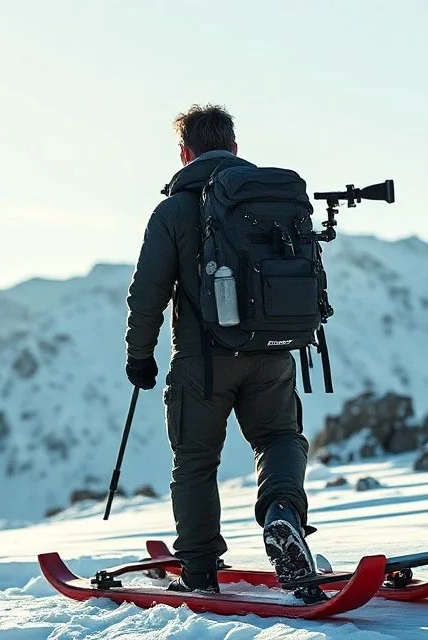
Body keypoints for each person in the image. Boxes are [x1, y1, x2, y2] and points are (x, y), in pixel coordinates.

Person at [124, 104, 322, 601]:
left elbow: (148, 293)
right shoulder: (271, 201)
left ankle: (199, 569)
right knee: (279, 437)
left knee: (195, 462)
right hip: (273, 352)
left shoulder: (173, 210)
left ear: (184, 153)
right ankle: (281, 514)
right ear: (234, 148)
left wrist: (139, 356)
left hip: (203, 364)